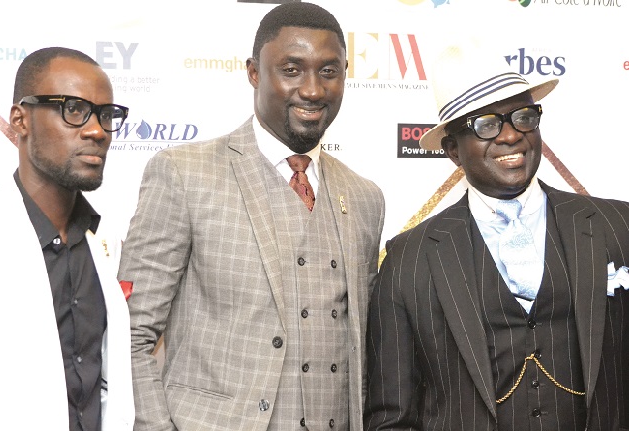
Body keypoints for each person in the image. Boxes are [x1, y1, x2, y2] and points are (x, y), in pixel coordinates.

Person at [118, 2, 385, 430]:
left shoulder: (365, 197)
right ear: (254, 73)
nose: (313, 90)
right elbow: (132, 334)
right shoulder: (184, 174)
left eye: (329, 72)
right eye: (292, 70)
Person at [364, 44, 629, 430]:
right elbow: (392, 415)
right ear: (453, 150)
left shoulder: (617, 226)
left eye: (523, 117)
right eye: (486, 125)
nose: (511, 136)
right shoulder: (409, 258)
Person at [0, 47, 135, 431]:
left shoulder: (105, 243)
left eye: (105, 115)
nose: (97, 131)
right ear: (20, 120)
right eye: (73, 109)